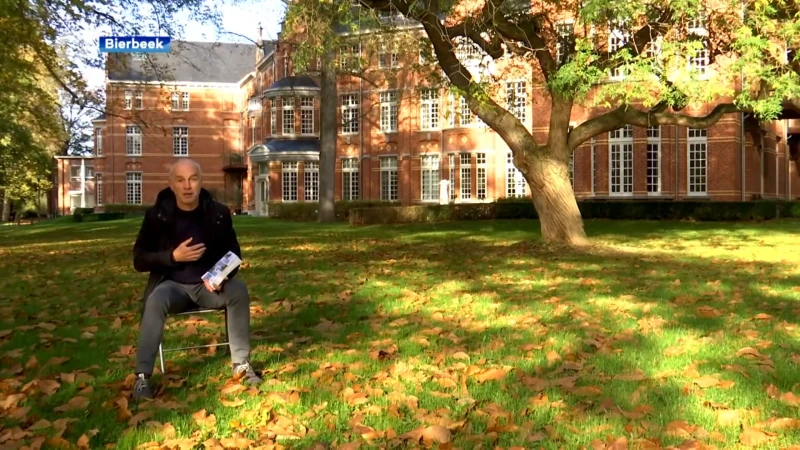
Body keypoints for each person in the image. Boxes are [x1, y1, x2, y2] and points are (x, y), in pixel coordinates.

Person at [130, 158, 261, 400]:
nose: (187, 186)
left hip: (208, 287)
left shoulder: (218, 213)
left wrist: (220, 276)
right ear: (172, 185)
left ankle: (241, 364)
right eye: (180, 180)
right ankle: (142, 378)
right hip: (172, 287)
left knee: (239, 291)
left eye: (193, 179)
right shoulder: (156, 216)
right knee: (155, 301)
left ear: (201, 182)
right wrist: (172, 256)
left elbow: (234, 254)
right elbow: (139, 260)